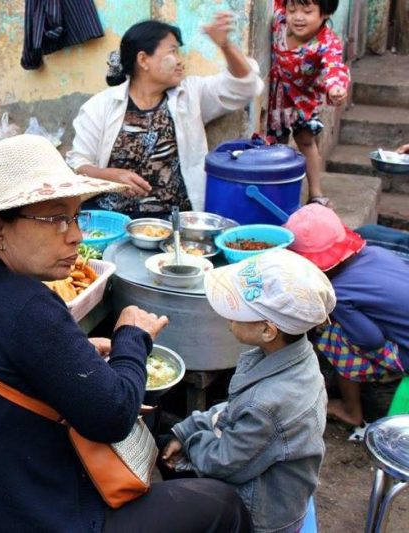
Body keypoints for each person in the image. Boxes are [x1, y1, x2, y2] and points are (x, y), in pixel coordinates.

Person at [0, 134, 252, 532]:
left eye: (75, 216)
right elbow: (112, 417)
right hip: (24, 516)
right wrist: (132, 336)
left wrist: (75, 352)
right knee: (220, 503)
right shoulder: (28, 306)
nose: (76, 235)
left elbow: (2, 365)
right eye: (55, 219)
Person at [162, 249, 335, 533]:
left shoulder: (268, 404)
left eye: (236, 312)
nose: (228, 319)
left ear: (268, 330)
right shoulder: (294, 355)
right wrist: (188, 428)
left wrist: (191, 443)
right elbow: (234, 409)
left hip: (263, 515)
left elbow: (223, 462)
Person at [66, 14, 263, 218]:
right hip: (113, 219)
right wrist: (110, 176)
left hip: (175, 221)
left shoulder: (190, 95)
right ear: (143, 60)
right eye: (173, 52)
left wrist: (225, 45)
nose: (180, 61)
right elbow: (79, 165)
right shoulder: (100, 106)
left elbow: (246, 87)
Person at [285, 204, 409, 428]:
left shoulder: (338, 292)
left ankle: (351, 410)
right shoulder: (376, 252)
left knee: (331, 334)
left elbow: (371, 341)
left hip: (405, 354)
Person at [267, 0, 350, 206]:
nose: (298, 17)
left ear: (325, 14)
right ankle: (274, 193)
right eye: (292, 10)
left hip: (303, 96)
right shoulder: (280, 21)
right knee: (276, 143)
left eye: (307, 11)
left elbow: (334, 66)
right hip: (276, 94)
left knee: (306, 140)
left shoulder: (327, 42)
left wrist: (336, 88)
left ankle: (315, 192)